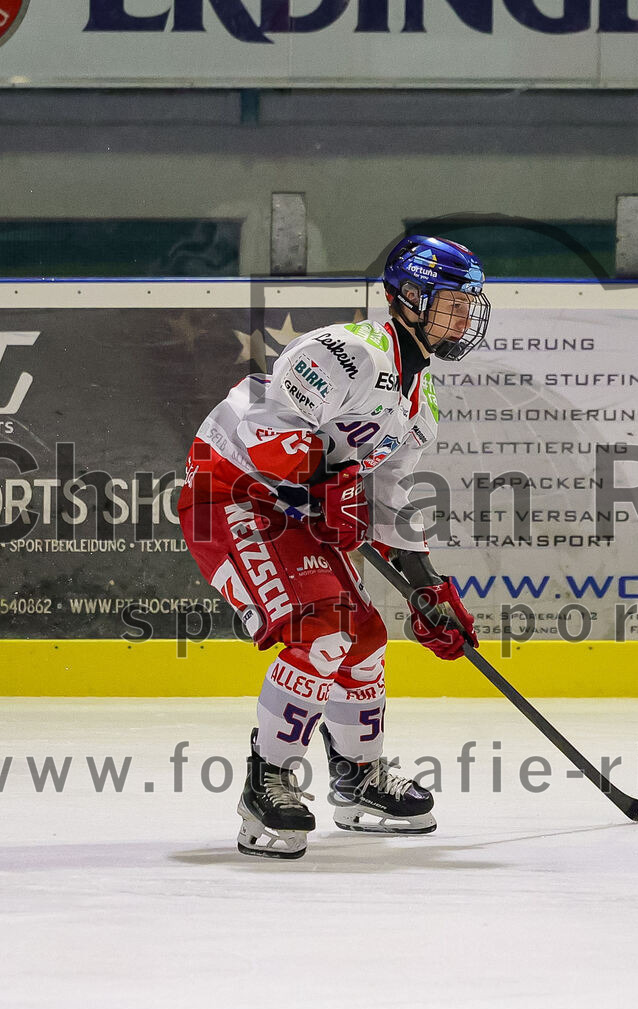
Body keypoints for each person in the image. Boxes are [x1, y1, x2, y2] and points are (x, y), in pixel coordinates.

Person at [177, 236, 490, 859]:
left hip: (297, 510)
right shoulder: (347, 352)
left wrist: (428, 589)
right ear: (407, 298)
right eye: (450, 303)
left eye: (466, 306)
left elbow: (390, 502)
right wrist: (331, 480)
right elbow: (264, 430)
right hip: (232, 496)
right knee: (322, 632)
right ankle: (266, 783)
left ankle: (358, 780)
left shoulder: (420, 400)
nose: (462, 318)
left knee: (363, 634)